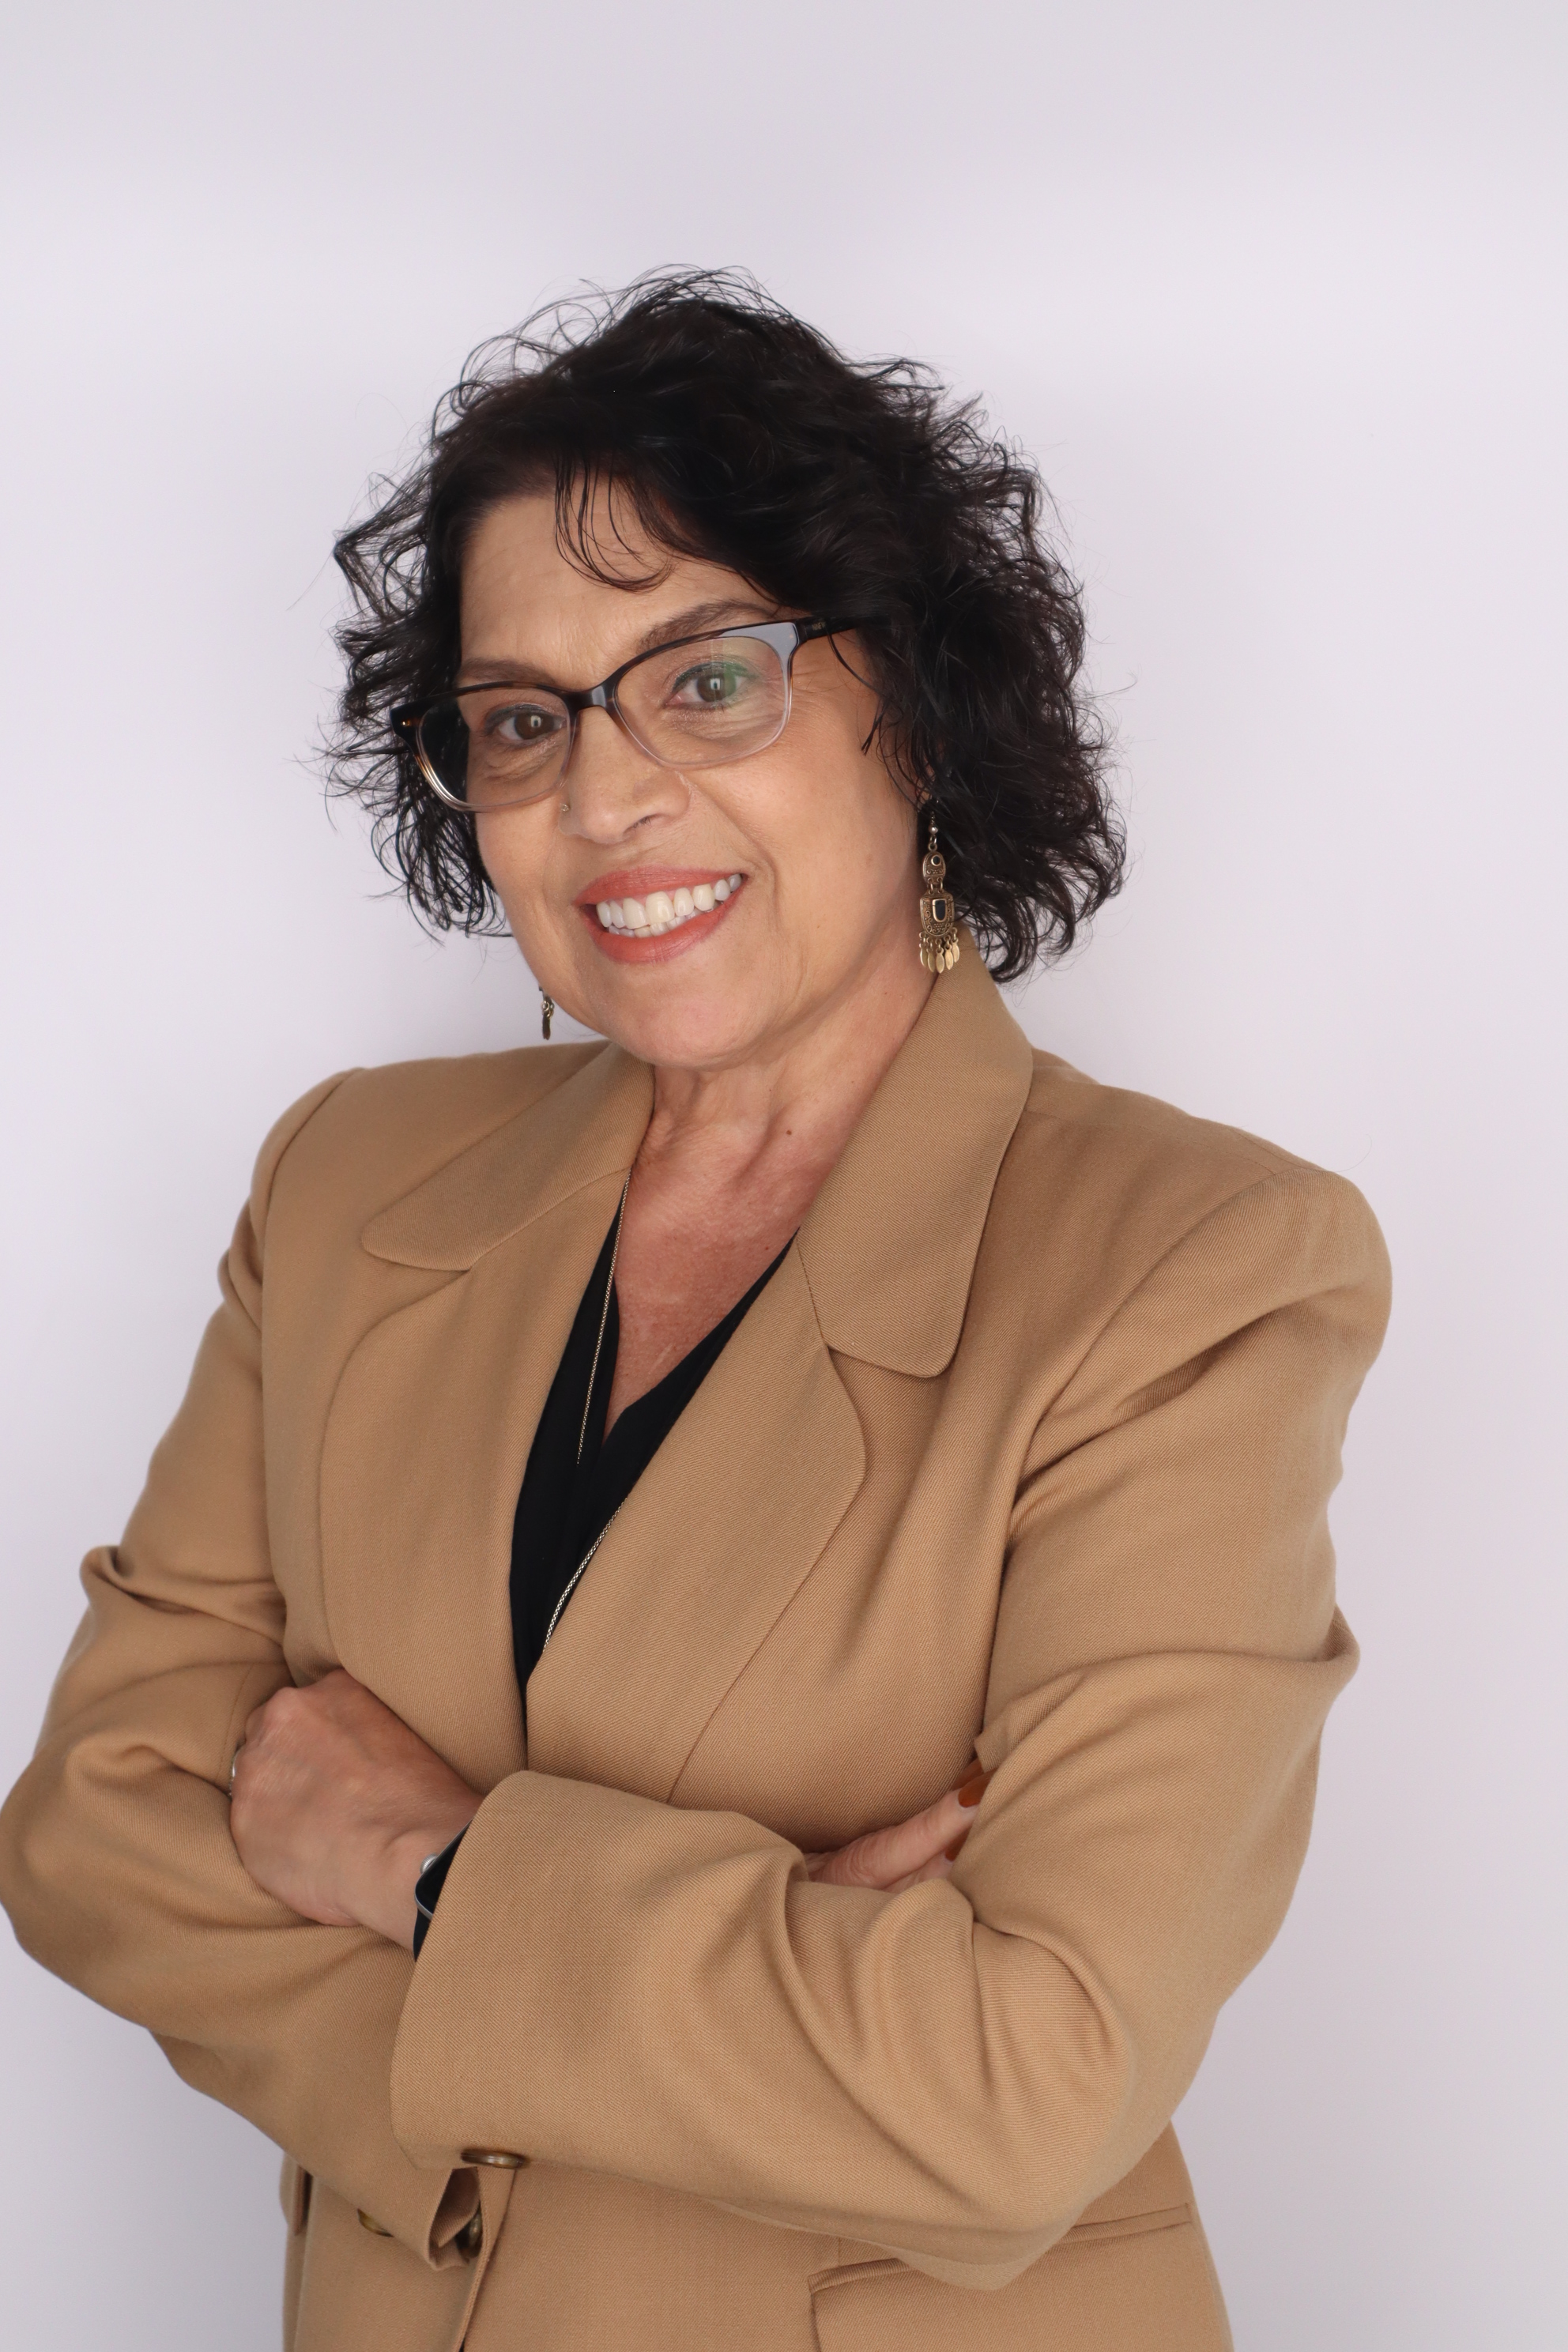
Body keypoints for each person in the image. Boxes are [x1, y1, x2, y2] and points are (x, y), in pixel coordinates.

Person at [0, 273, 1389, 2352]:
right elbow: (96, 1827)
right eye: (524, 718)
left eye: (708, 681)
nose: (605, 795)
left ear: (906, 697)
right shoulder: (354, 1182)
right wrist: (749, 1997)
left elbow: (1023, 2085)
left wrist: (440, 1873)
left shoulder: (1193, 1270)